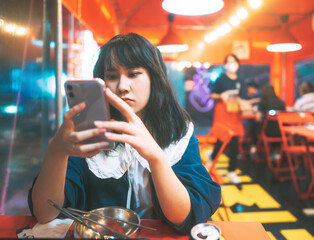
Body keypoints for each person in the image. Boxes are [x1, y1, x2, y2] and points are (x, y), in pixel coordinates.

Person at [28, 33, 221, 234]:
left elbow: (184, 217)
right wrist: (56, 151)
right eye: (112, 76)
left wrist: (156, 157)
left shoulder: (177, 129)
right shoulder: (89, 131)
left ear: (154, 77)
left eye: (133, 73)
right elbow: (45, 213)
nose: (122, 87)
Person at [209, 54, 246, 184]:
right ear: (225, 65)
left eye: (233, 61)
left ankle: (231, 171)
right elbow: (212, 95)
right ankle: (212, 158)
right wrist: (220, 95)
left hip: (235, 114)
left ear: (238, 63)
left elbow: (242, 97)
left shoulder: (241, 81)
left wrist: (243, 103)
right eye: (228, 62)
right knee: (221, 139)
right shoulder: (221, 79)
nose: (231, 64)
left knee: (235, 143)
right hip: (222, 113)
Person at [255, 85, 286, 160]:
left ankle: (255, 149)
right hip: (281, 132)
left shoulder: (262, 102)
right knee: (275, 128)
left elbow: (258, 118)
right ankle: (276, 151)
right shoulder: (281, 102)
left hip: (267, 131)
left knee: (255, 127)